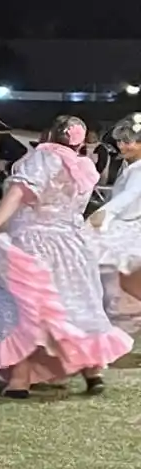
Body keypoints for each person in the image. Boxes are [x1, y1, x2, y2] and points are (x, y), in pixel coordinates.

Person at [0, 115, 131, 398]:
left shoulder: (43, 158)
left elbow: (21, 191)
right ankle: (92, 372)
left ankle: (19, 380)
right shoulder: (84, 166)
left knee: (24, 308)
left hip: (34, 242)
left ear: (51, 135)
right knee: (76, 306)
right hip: (72, 245)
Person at [91, 113, 141, 333]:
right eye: (120, 141)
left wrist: (104, 213)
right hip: (119, 226)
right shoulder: (129, 165)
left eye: (128, 142)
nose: (121, 146)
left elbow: (129, 196)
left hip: (129, 230)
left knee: (114, 277)